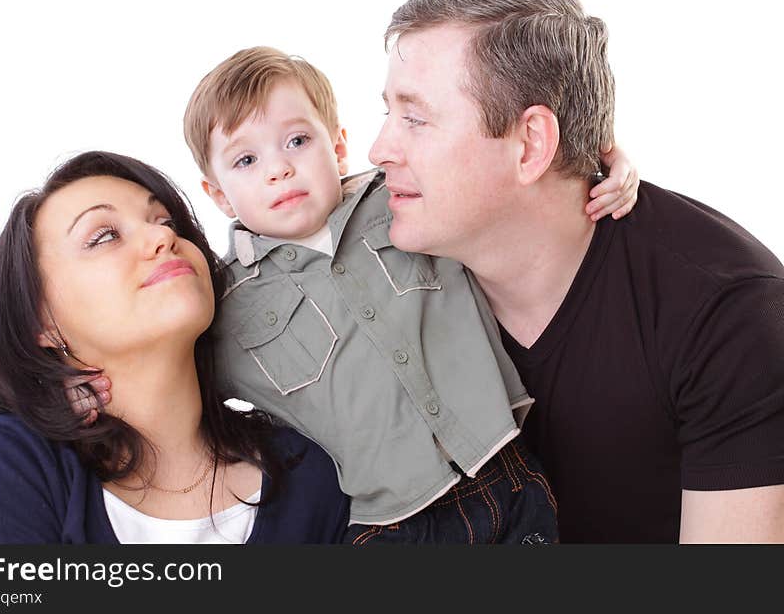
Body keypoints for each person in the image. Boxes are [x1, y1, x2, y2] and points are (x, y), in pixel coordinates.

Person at [368, 0, 784, 542]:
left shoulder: (728, 313)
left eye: (414, 119)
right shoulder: (377, 253)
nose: (379, 150)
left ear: (533, 144)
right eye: (388, 114)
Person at [169, 46, 633, 543]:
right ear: (217, 193)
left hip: (507, 472)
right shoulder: (222, 304)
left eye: (298, 140)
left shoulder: (406, 199)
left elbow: (503, 169)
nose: (278, 169)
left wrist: (608, 160)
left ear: (339, 146)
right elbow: (163, 385)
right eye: (245, 159)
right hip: (389, 526)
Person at [0, 151, 349, 544]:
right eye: (103, 236)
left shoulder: (311, 474)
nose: (162, 236)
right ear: (40, 321)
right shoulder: (12, 463)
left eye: (167, 221)